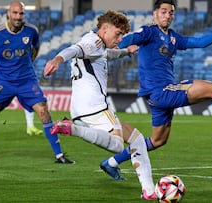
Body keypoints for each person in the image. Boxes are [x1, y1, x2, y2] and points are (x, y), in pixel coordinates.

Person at [101, 0, 212, 179]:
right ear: (155, 13)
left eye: (170, 13)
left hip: (158, 96)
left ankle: (111, 162)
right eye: (163, 11)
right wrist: (118, 44)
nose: (167, 15)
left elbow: (199, 42)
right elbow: (131, 38)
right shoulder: (148, 31)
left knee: (157, 140)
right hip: (161, 91)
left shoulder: (173, 37)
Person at [44, 10, 156, 200]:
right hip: (95, 107)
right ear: (104, 29)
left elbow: (106, 54)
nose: (120, 38)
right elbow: (74, 49)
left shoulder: (98, 46)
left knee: (136, 139)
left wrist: (125, 52)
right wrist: (57, 59)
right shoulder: (93, 42)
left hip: (81, 109)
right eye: (118, 33)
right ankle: (72, 129)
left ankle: (149, 191)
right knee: (118, 145)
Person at [0, 1, 74, 164]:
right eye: (15, 13)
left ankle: (59, 155)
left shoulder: (31, 31)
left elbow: (35, 48)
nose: (18, 16)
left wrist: (28, 62)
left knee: (44, 112)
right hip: (5, 82)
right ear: (9, 14)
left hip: (27, 81)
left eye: (21, 13)